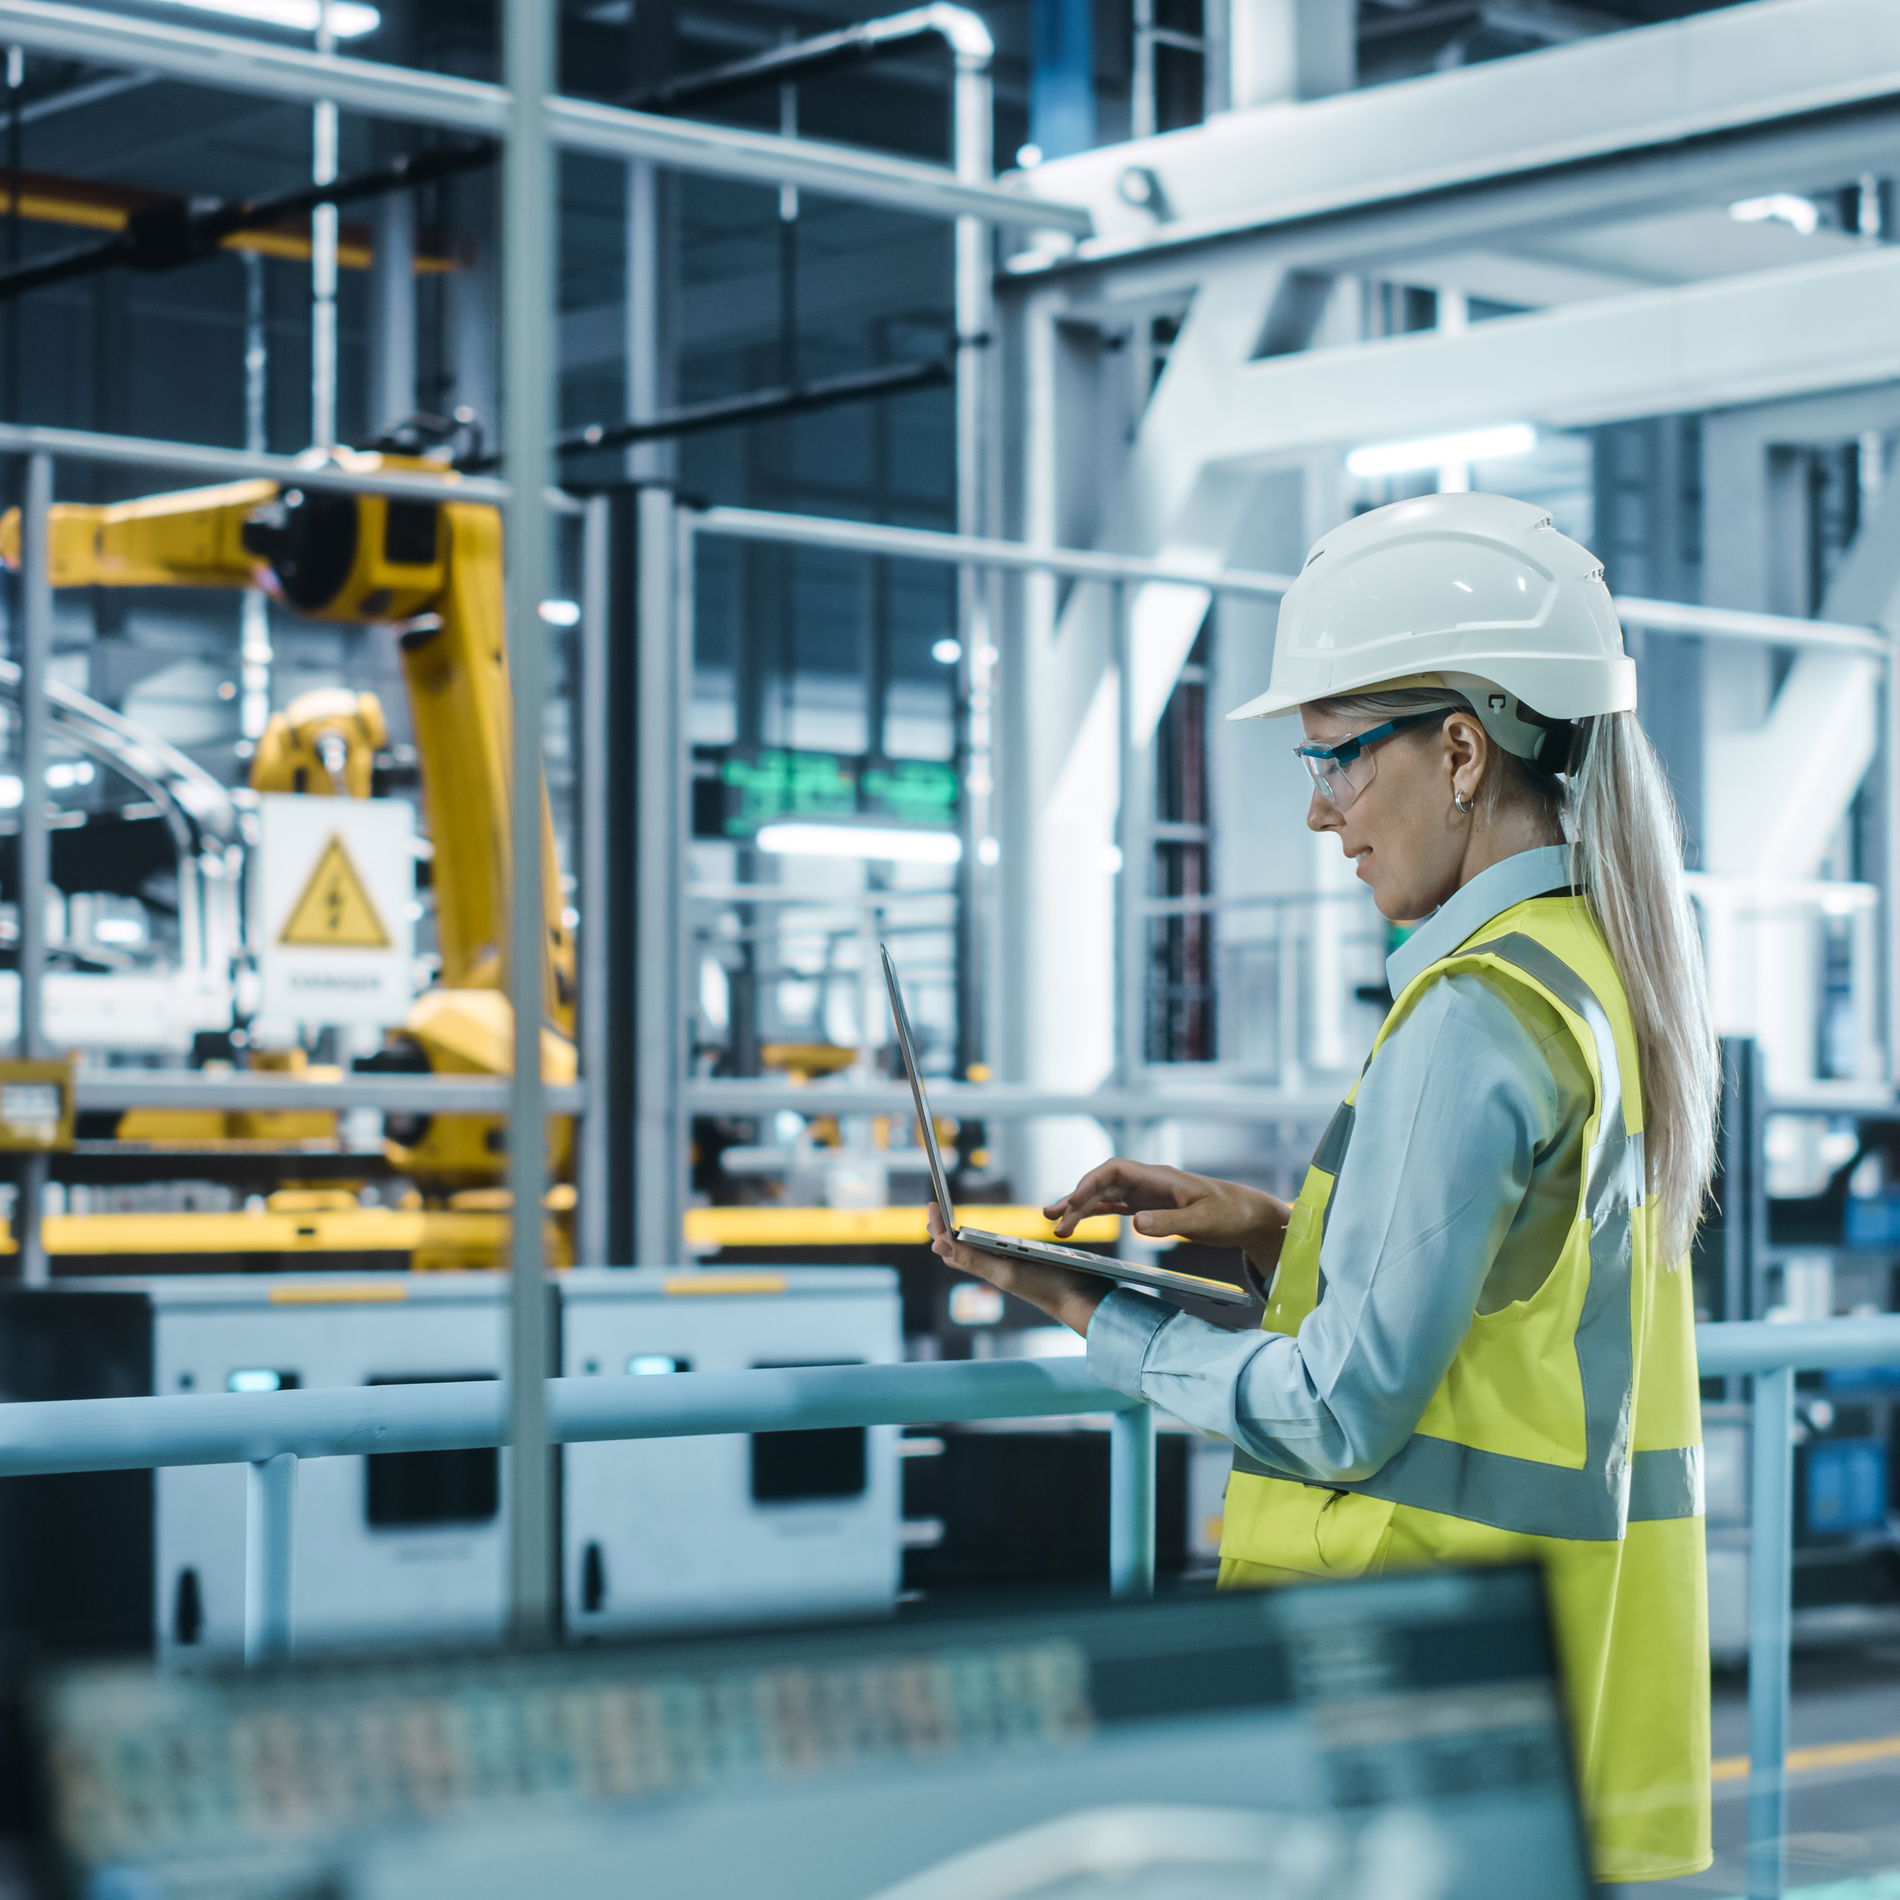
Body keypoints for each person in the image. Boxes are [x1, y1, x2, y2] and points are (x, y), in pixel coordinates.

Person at [928, 492, 1715, 1886]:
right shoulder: (1594, 972)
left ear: (1462, 751)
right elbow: (1512, 1289)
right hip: (1556, 1660)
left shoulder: (1474, 1013)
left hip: (1412, 1677)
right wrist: (1269, 1236)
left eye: (1338, 755)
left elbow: (1344, 1409)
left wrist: (1087, 1311)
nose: (1317, 808)